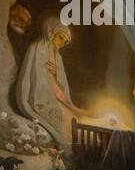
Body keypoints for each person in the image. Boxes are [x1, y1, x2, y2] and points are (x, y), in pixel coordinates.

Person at [13, 14, 87, 149]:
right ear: (51, 31)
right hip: (39, 98)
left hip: (55, 96)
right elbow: (33, 77)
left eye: (65, 41)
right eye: (60, 37)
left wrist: (56, 74)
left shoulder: (57, 56)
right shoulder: (37, 48)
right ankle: (66, 154)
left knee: (73, 119)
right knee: (65, 119)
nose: (61, 43)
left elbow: (59, 83)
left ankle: (72, 154)